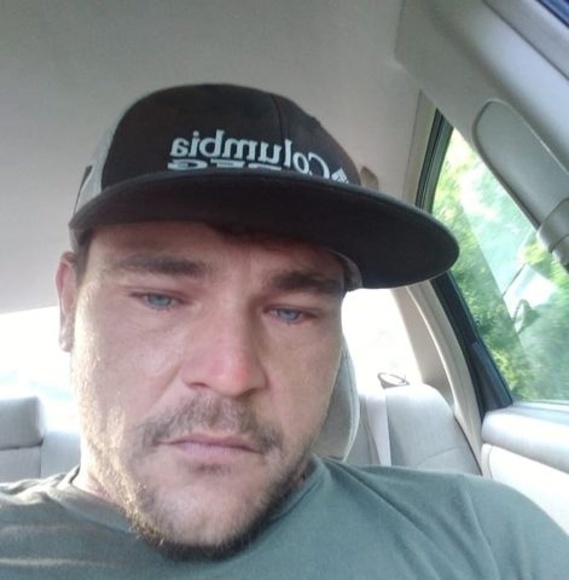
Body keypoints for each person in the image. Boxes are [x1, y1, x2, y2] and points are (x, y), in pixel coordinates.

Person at [0, 84, 567, 578]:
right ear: (69, 307)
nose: (232, 375)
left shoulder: (488, 537)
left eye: (291, 311)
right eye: (160, 298)